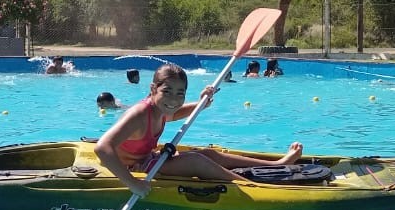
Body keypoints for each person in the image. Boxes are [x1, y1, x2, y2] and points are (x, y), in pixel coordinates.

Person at [94, 63, 303, 197]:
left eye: (180, 93)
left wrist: (201, 103)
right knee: (196, 162)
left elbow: (172, 114)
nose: (174, 99)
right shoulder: (139, 114)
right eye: (167, 91)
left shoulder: (159, 108)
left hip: (149, 159)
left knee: (208, 154)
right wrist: (132, 183)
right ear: (152, 89)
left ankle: (278, 164)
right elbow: (102, 148)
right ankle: (257, 189)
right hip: (134, 168)